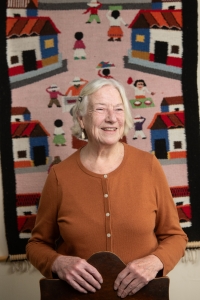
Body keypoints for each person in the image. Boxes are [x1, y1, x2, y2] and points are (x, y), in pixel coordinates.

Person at [26, 78, 187, 298]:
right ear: (81, 119)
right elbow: (36, 244)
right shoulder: (59, 175)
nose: (111, 118)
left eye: (118, 109)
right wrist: (57, 262)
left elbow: (175, 237)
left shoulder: (149, 166)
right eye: (101, 109)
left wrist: (154, 262)